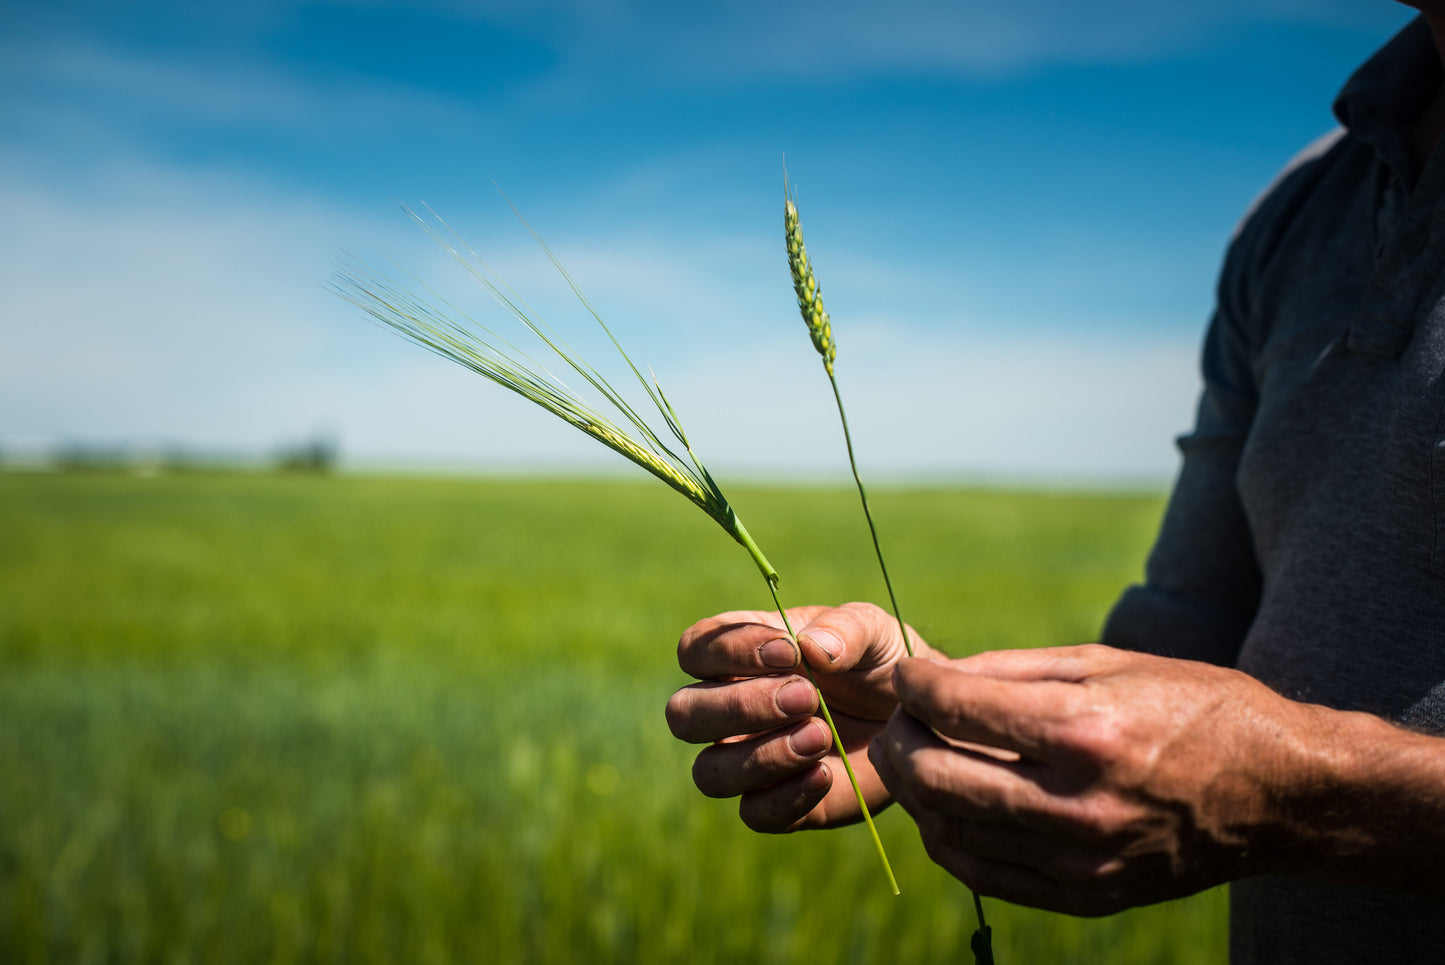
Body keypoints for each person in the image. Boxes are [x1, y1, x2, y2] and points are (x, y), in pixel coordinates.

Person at [664, 7, 1445, 962]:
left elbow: (1255, 766)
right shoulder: (1303, 214)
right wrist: (938, 716)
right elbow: (1180, 644)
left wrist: (1302, 798)